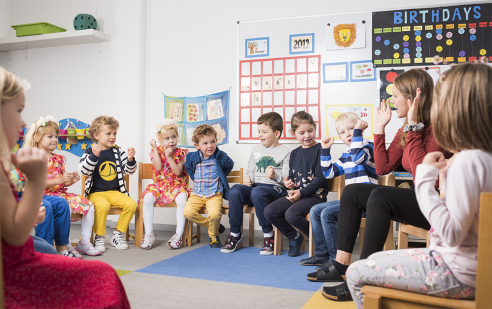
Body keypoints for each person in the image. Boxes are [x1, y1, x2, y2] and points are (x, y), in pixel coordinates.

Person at [346, 62, 492, 307]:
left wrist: (425, 180)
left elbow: (451, 234)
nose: (438, 106)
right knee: (359, 193)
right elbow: (383, 168)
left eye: (443, 100)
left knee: (356, 273)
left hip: (456, 270)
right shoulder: (482, 157)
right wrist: (380, 129)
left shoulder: (468, 161)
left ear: (458, 108)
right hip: (468, 264)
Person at [0, 66, 130, 308]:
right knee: (104, 275)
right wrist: (38, 184)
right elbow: (16, 229)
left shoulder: (10, 159)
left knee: (57, 207)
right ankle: (62, 248)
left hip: (26, 233)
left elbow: (13, 221)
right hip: (11, 255)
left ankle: (65, 245)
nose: (21, 122)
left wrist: (65, 181)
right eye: (17, 111)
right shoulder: (23, 158)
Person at [321, 68, 453, 301]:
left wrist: (412, 128)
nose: (391, 100)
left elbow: (425, 171)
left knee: (381, 196)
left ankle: (364, 280)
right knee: (353, 191)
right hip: (419, 196)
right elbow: (384, 168)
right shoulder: (406, 128)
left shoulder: (438, 126)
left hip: (439, 203)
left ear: (413, 97)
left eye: (395, 95)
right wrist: (379, 129)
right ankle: (342, 266)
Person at [300, 112, 377, 277]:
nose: (348, 134)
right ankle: (322, 254)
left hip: (367, 202)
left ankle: (337, 261)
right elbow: (328, 173)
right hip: (352, 203)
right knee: (315, 210)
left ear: (361, 128)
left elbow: (358, 158)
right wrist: (325, 150)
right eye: (343, 132)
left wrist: (358, 134)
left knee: (328, 213)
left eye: (352, 129)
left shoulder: (369, 147)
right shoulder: (346, 154)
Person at [23, 116, 101, 257]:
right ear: (37, 137)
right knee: (63, 205)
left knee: (88, 205)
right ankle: (66, 246)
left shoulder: (58, 159)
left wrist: (69, 180)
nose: (55, 139)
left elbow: (63, 182)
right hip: (42, 195)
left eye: (56, 136)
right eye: (50, 136)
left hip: (60, 194)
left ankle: (83, 242)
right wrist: (60, 179)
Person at [221, 112, 291, 254]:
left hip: (275, 191)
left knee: (258, 192)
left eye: (264, 132)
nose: (260, 135)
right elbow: (250, 171)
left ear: (277, 134)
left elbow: (286, 181)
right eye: (258, 131)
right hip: (255, 189)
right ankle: (235, 233)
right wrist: (248, 179)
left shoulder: (286, 152)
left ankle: (268, 235)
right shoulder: (255, 149)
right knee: (235, 190)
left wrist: (274, 176)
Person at [264, 111, 327, 257]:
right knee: (269, 211)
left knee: (291, 214)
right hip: (298, 195)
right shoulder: (294, 153)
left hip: (315, 197)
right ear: (293, 133)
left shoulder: (321, 150)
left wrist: (301, 193)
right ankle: (295, 237)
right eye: (302, 132)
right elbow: (291, 179)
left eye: (310, 131)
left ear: (315, 128)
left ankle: (321, 239)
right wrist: (288, 184)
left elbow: (321, 179)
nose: (307, 136)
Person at [79, 116, 137, 251]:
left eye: (114, 133)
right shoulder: (89, 151)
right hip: (96, 193)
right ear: (96, 135)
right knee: (103, 205)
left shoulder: (117, 151)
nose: (112, 137)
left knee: (131, 204)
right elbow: (84, 171)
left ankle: (117, 234)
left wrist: (130, 159)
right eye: (108, 134)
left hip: (115, 192)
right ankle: (99, 237)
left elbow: (129, 171)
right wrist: (94, 156)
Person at [137, 119, 191, 249]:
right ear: (161, 140)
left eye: (173, 137)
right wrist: (155, 149)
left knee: (182, 198)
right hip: (160, 185)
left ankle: (178, 235)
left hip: (176, 185)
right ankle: (149, 233)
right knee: (148, 198)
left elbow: (178, 172)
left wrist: (169, 157)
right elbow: (158, 166)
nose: (171, 140)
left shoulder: (181, 153)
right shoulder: (157, 150)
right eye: (167, 138)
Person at [183, 124, 234, 248]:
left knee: (215, 214)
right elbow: (188, 167)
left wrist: (221, 176)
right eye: (205, 143)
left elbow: (230, 164)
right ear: (197, 145)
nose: (210, 146)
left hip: (214, 193)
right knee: (188, 213)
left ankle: (213, 237)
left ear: (216, 141)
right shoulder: (192, 157)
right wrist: (194, 177)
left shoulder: (221, 156)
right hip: (198, 193)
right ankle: (212, 225)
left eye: (212, 142)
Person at [11, 164, 71, 256]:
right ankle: (47, 253)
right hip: (8, 195)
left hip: (20, 192)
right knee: (45, 205)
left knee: (61, 203)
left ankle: (62, 251)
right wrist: (18, 174)